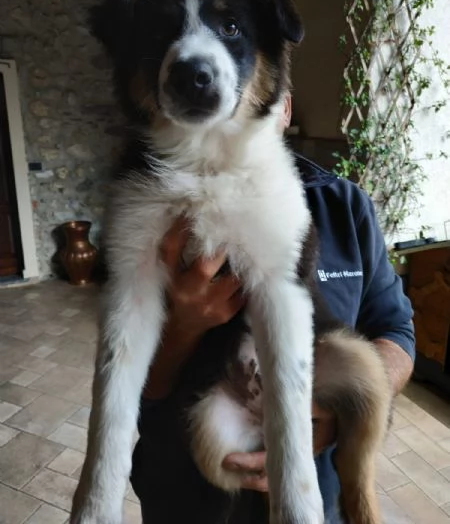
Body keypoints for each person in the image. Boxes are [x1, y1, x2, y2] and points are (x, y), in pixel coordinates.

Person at [130, 94, 415, 523]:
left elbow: (395, 330)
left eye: (251, 105)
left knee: (365, 375)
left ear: (286, 109)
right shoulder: (152, 210)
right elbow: (134, 385)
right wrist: (182, 329)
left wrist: (321, 421)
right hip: (192, 490)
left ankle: (359, 494)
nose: (231, 124)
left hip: (314, 493)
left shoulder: (342, 204)